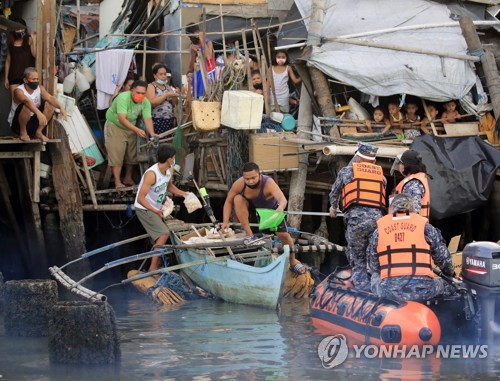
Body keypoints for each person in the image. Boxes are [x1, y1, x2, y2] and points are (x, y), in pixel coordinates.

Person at [222, 162, 307, 274]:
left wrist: (280, 208)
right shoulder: (239, 184)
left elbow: (282, 199)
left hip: (270, 211)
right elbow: (228, 201)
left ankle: (292, 262)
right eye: (247, 179)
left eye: (253, 178)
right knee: (237, 198)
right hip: (252, 211)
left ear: (259, 174)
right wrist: (225, 221)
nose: (250, 181)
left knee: (284, 235)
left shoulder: (268, 182)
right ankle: (250, 235)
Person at [368, 194, 455, 302]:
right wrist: (450, 274)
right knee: (450, 285)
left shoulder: (378, 231)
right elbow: (444, 260)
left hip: (389, 291)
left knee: (375, 276)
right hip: (423, 290)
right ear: (412, 208)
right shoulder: (425, 227)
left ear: (392, 208)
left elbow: (373, 265)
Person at [329, 142, 387, 290]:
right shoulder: (382, 177)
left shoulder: (346, 172)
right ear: (374, 161)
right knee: (375, 256)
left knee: (358, 257)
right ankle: (378, 288)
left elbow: (334, 192)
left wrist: (333, 207)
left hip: (357, 221)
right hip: (378, 223)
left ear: (358, 159)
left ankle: (362, 289)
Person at [134, 144, 189, 272]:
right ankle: (153, 268)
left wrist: (183, 194)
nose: (175, 160)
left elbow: (169, 187)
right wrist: (156, 211)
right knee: (164, 233)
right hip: (144, 208)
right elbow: (140, 199)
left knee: (165, 233)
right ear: (169, 159)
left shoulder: (169, 171)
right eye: (174, 157)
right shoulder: (152, 174)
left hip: (157, 207)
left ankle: (157, 262)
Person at [105, 80, 155, 188]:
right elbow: (122, 119)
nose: (140, 95)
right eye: (138, 92)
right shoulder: (123, 98)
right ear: (131, 90)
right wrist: (136, 130)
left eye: (143, 93)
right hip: (116, 125)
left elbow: (148, 118)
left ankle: (128, 178)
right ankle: (117, 181)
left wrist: (152, 134)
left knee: (131, 155)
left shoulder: (145, 102)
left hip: (131, 127)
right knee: (117, 154)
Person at [8, 67, 67, 142]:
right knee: (27, 106)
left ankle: (38, 132)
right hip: (17, 125)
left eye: (37, 79)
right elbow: (27, 101)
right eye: (33, 79)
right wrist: (38, 113)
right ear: (25, 80)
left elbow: (50, 98)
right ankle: (23, 132)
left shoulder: (40, 88)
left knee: (49, 105)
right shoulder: (18, 91)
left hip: (33, 122)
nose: (36, 81)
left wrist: (61, 108)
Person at [392, 149, 431, 221]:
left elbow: (414, 211)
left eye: (401, 163)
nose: (399, 165)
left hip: (411, 228)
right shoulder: (413, 181)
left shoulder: (413, 185)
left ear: (406, 165)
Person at [4, 18, 36, 100]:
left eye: (22, 28)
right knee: (15, 102)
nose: (20, 31)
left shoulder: (29, 39)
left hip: (27, 77)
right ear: (13, 30)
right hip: (14, 77)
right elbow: (8, 61)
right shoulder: (11, 43)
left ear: (25, 29)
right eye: (18, 29)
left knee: (27, 102)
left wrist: (34, 40)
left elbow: (35, 55)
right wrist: (6, 78)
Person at [146, 63, 178, 135]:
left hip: (169, 119)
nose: (164, 76)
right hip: (157, 120)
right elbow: (152, 102)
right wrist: (165, 95)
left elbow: (175, 103)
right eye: (161, 74)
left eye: (165, 74)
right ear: (155, 76)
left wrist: (174, 95)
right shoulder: (151, 86)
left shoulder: (168, 87)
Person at [186, 22, 216, 99]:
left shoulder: (207, 42)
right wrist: (193, 53)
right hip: (197, 77)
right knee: (197, 99)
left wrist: (202, 40)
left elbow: (209, 56)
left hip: (207, 74)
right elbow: (191, 68)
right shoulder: (192, 46)